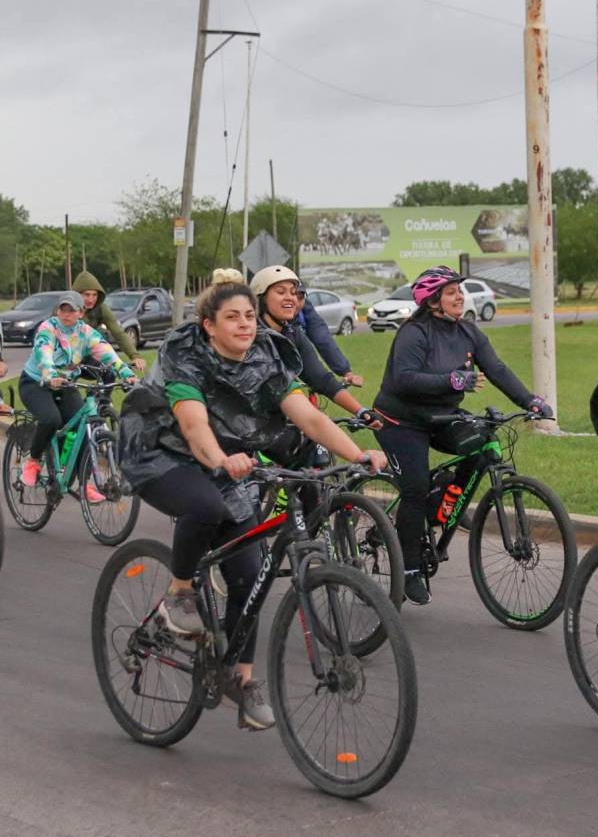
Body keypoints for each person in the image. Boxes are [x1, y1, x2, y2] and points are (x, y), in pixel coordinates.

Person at [118, 279, 387, 731]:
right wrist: (222, 460)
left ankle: (239, 680)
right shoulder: (187, 356)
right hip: (159, 451)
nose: (244, 324)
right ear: (208, 326)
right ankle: (180, 592)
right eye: (231, 318)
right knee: (204, 506)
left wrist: (356, 454)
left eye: (248, 316)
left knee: (249, 573)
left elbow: (308, 417)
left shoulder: (266, 355)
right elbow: (192, 423)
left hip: (227, 458)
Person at [372, 266, 553, 606]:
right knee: (414, 489)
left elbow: (496, 369)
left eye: (460, 290)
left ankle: (447, 496)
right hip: (400, 420)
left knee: (481, 441)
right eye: (452, 292)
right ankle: (409, 568)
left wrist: (530, 399)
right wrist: (452, 381)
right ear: (433, 301)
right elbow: (404, 380)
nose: (460, 297)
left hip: (442, 415)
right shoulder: (414, 333)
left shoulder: (467, 331)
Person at [18, 291, 137, 501]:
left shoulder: (86, 333)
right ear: (57, 310)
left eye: (71, 310)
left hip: (66, 384)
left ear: (81, 313)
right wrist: (50, 374)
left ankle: (85, 484)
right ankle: (34, 461)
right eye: (63, 309)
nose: (66, 314)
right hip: (36, 382)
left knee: (84, 425)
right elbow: (43, 351)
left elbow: (106, 352)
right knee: (50, 419)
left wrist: (127, 374)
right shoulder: (48, 328)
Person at [249, 265, 373, 423]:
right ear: (261, 298)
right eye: (281, 292)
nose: (290, 298)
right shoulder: (250, 338)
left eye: (294, 293)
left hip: (283, 422)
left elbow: (321, 379)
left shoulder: (293, 333)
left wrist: (361, 411)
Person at [72, 270, 146, 375]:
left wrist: (135, 356)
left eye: (94, 295)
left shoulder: (100, 308)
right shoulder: (66, 309)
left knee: (109, 374)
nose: (91, 299)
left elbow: (118, 332)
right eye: (87, 295)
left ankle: (97, 392)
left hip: (88, 355)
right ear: (76, 295)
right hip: (65, 358)